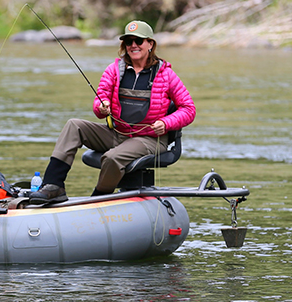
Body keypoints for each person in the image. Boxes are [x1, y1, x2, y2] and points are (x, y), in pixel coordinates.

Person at [30, 20, 196, 203]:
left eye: (139, 41)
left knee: (111, 157)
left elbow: (188, 109)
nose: (133, 45)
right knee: (74, 125)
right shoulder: (114, 70)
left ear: (150, 44)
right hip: (118, 133)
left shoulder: (166, 75)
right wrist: (101, 107)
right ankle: (54, 186)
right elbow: (99, 104)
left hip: (150, 139)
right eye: (128, 41)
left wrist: (166, 123)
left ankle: (98, 198)